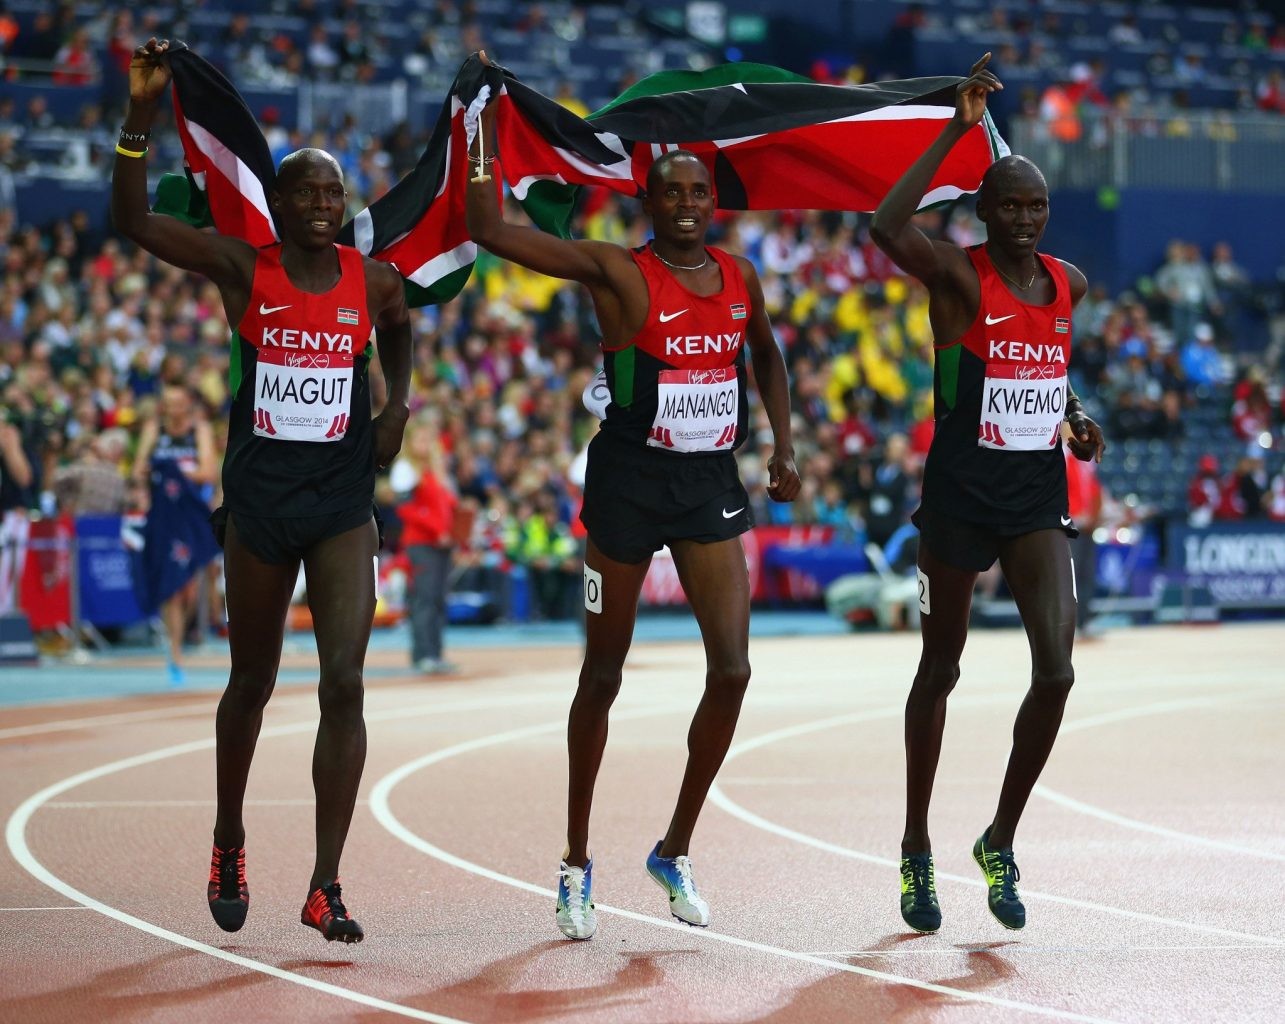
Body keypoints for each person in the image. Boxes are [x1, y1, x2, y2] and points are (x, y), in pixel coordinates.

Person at [465, 52, 801, 940]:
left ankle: (673, 848)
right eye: (671, 193)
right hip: (625, 482)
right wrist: (481, 125)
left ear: (711, 202)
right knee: (602, 674)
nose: (686, 204)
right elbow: (489, 228)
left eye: (697, 193)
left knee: (733, 669)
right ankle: (575, 862)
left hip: (706, 483)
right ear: (647, 202)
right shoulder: (617, 271)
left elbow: (766, 356)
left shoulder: (740, 277)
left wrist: (783, 443)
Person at [112, 39, 413, 944]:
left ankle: (325, 884)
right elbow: (135, 222)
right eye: (306, 194)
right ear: (278, 205)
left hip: (341, 503)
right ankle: (228, 838)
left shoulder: (374, 280)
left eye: (333, 195)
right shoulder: (247, 268)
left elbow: (399, 328)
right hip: (259, 504)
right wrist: (138, 118)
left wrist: (395, 407)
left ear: (345, 206)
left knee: (345, 683)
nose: (321, 206)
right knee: (251, 681)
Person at [870, 53, 1106, 935]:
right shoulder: (957, 277)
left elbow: (1044, 364)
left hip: (1034, 497)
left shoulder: (1067, 284)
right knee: (941, 668)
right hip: (959, 501)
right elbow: (884, 226)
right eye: (1009, 205)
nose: (1023, 218)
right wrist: (953, 131)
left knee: (1057, 671)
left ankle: (998, 838)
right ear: (983, 209)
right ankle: (914, 844)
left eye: (1035, 206)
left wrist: (1073, 414)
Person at [131, 386, 217, 684]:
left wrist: (175, 470)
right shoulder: (154, 430)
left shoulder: (199, 430)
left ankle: (182, 635)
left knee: (190, 587)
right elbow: (138, 469)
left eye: (178, 403)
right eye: (168, 403)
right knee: (171, 586)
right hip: (163, 516)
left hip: (191, 515)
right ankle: (175, 650)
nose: (173, 409)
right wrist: (149, 473)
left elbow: (208, 472)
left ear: (187, 404)